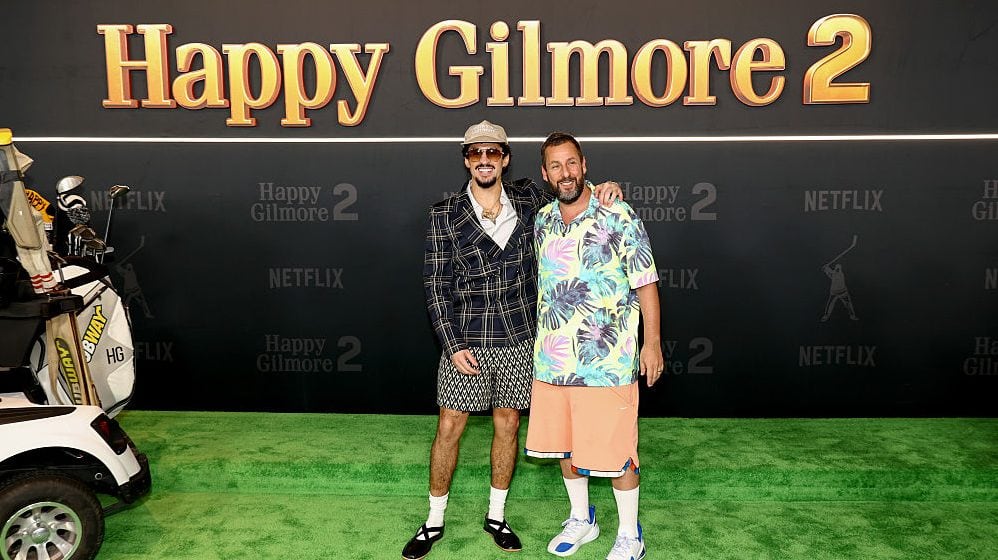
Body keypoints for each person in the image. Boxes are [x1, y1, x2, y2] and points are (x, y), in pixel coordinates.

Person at [406, 121, 621, 559]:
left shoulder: (528, 198)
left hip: (521, 338)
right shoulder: (443, 214)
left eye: (492, 153)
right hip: (467, 342)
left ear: (505, 158)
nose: (483, 160)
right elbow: (435, 285)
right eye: (474, 154)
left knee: (508, 425)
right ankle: (433, 521)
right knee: (449, 427)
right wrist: (452, 344)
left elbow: (570, 190)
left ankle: (496, 516)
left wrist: (604, 188)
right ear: (466, 159)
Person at [525, 132, 663, 560]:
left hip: (609, 358)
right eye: (555, 166)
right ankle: (582, 519)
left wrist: (652, 342)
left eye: (571, 163)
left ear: (584, 165)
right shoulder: (542, 220)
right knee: (567, 447)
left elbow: (645, 281)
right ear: (545, 174)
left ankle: (629, 534)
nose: (564, 173)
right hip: (553, 360)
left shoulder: (617, 213)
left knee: (617, 452)